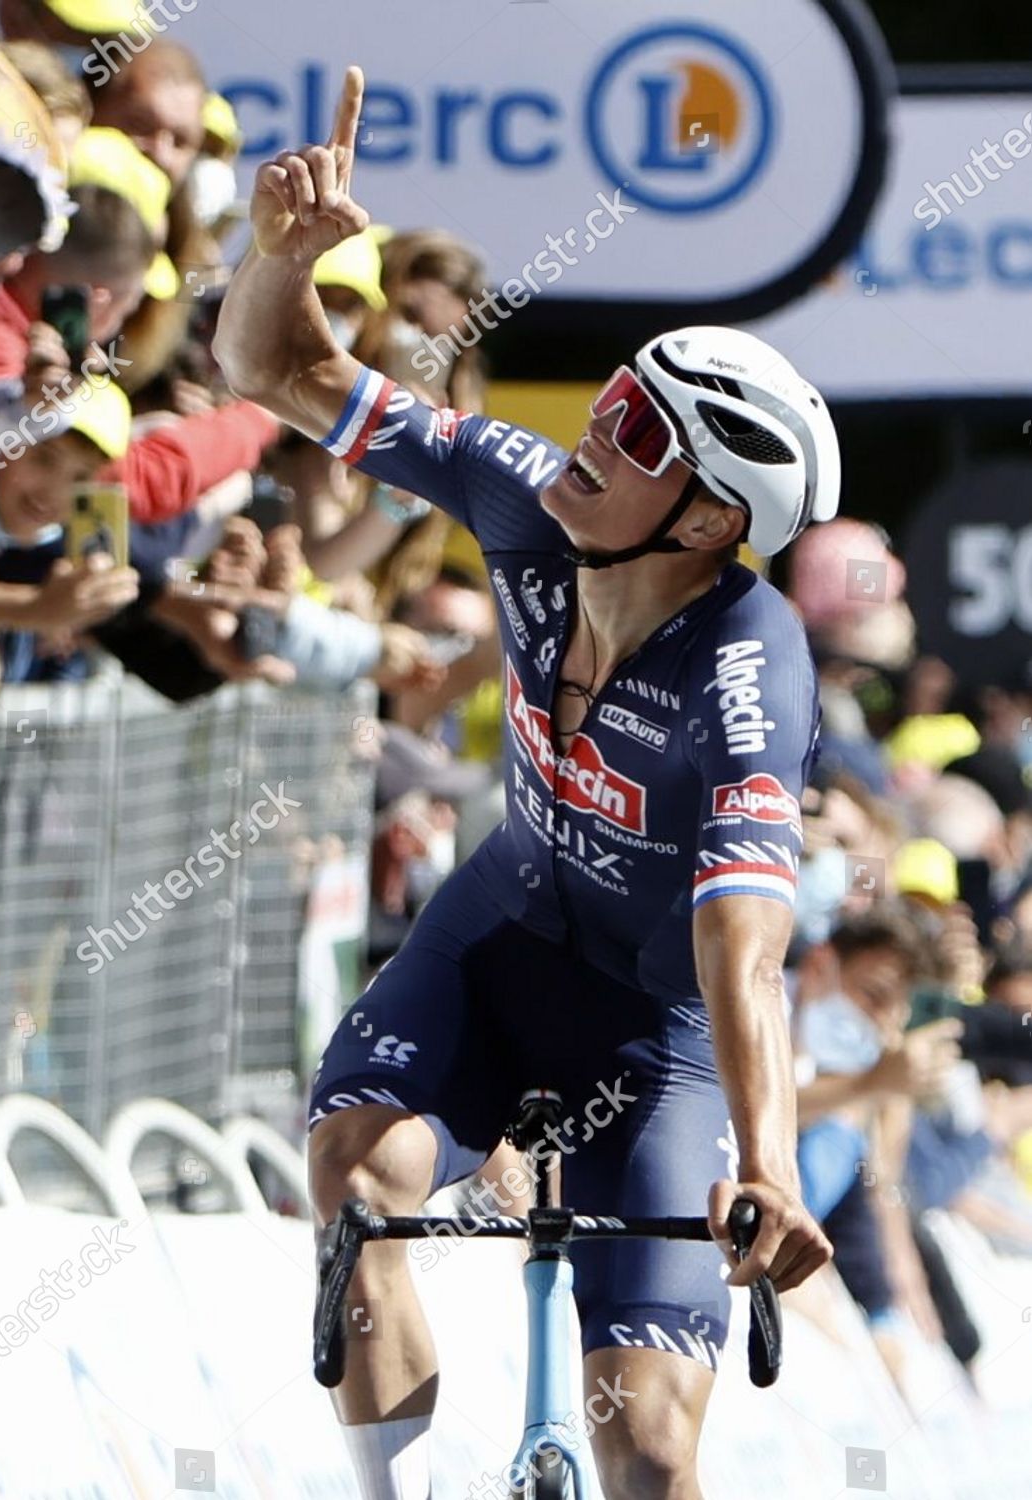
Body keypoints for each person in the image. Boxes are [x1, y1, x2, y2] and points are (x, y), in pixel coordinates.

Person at [213, 67, 835, 1500]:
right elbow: (276, 371)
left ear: (708, 516)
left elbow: (743, 947)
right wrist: (284, 260)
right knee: (358, 1186)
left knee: (649, 1446)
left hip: (662, 1027)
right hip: (498, 940)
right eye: (611, 401)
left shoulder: (752, 662)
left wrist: (769, 1167)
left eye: (630, 436)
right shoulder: (517, 491)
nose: (589, 435)